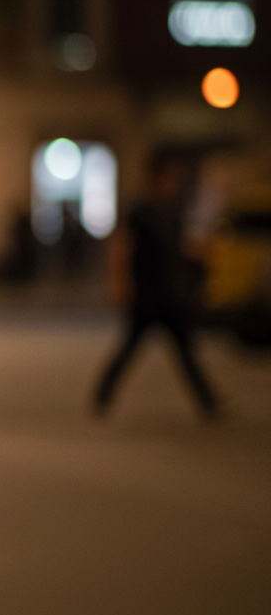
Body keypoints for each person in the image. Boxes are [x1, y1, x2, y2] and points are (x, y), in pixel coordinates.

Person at [93, 153, 220, 420]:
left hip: (169, 294)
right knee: (129, 348)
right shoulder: (139, 210)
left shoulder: (172, 210)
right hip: (146, 295)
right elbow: (121, 247)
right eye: (171, 177)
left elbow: (181, 249)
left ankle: (209, 404)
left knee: (186, 351)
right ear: (156, 178)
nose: (174, 183)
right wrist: (120, 284)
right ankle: (101, 396)